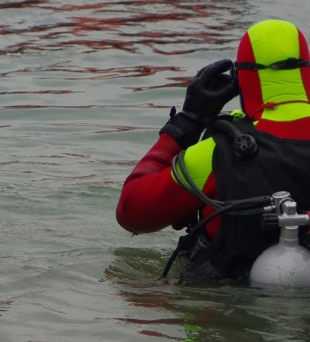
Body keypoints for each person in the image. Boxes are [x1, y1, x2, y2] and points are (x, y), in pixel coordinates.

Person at [116, 20, 310, 282]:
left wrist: (187, 122)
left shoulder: (217, 152)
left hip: (226, 312)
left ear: (241, 78)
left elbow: (131, 212)